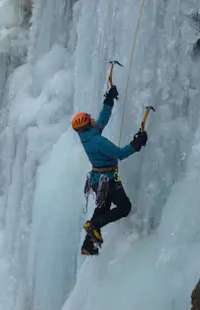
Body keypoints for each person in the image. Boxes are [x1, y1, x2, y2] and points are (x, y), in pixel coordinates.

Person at [71, 85, 148, 255]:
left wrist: (108, 101)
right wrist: (136, 144)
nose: (91, 117)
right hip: (108, 180)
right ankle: (94, 227)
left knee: (102, 210)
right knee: (124, 207)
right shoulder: (98, 141)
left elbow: (102, 120)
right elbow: (120, 154)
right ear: (86, 125)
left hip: (98, 180)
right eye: (88, 118)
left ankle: (87, 245)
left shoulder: (87, 136)